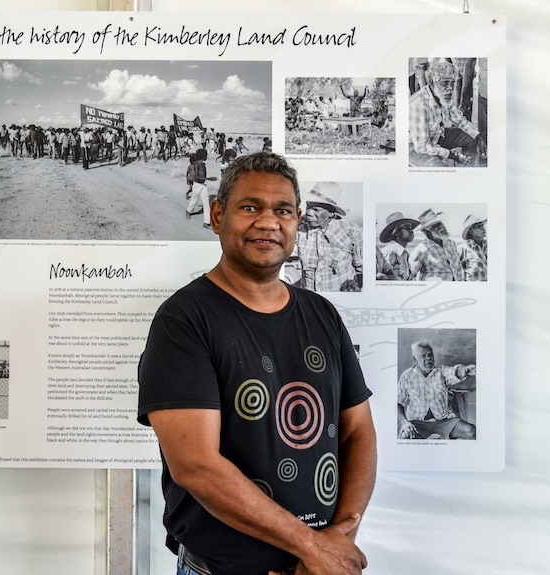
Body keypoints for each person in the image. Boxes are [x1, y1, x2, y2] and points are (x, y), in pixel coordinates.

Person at [138, 152, 376, 575]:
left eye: (282, 210)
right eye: (250, 207)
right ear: (216, 215)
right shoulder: (184, 321)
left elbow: (358, 431)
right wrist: (314, 548)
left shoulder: (323, 315)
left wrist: (337, 540)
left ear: (297, 222)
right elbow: (197, 466)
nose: (268, 222)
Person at [408, 60, 485, 167]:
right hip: (414, 147)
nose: (450, 88)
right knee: (442, 168)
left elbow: (458, 119)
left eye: (452, 83)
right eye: (444, 83)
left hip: (436, 137)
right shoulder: (418, 104)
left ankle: (467, 166)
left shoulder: (442, 95)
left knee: (472, 137)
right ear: (431, 82)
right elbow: (421, 147)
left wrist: (478, 135)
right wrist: (451, 155)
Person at [397, 340, 476, 439]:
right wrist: (404, 423)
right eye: (423, 356)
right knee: (405, 438)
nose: (428, 358)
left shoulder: (441, 372)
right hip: (417, 424)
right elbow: (398, 402)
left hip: (444, 422)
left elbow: (454, 372)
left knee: (470, 431)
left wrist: (465, 370)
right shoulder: (407, 376)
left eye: (430, 355)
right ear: (415, 359)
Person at [295, 183, 363, 292]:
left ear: (331, 213)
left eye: (316, 210)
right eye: (308, 206)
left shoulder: (350, 230)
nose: (309, 213)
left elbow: (361, 268)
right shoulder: (299, 228)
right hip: (310, 300)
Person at [409, 208, 463, 281]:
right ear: (427, 230)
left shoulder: (451, 244)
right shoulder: (421, 250)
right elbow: (411, 277)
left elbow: (458, 268)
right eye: (436, 225)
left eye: (440, 223)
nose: (441, 226)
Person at [377, 212, 419, 281]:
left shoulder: (405, 254)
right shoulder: (389, 252)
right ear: (396, 232)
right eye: (407, 227)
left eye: (411, 227)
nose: (411, 231)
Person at [458, 214, 487, 281]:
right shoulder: (463, 248)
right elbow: (456, 272)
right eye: (479, 226)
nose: (483, 228)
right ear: (471, 231)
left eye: (482, 225)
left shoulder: (490, 245)